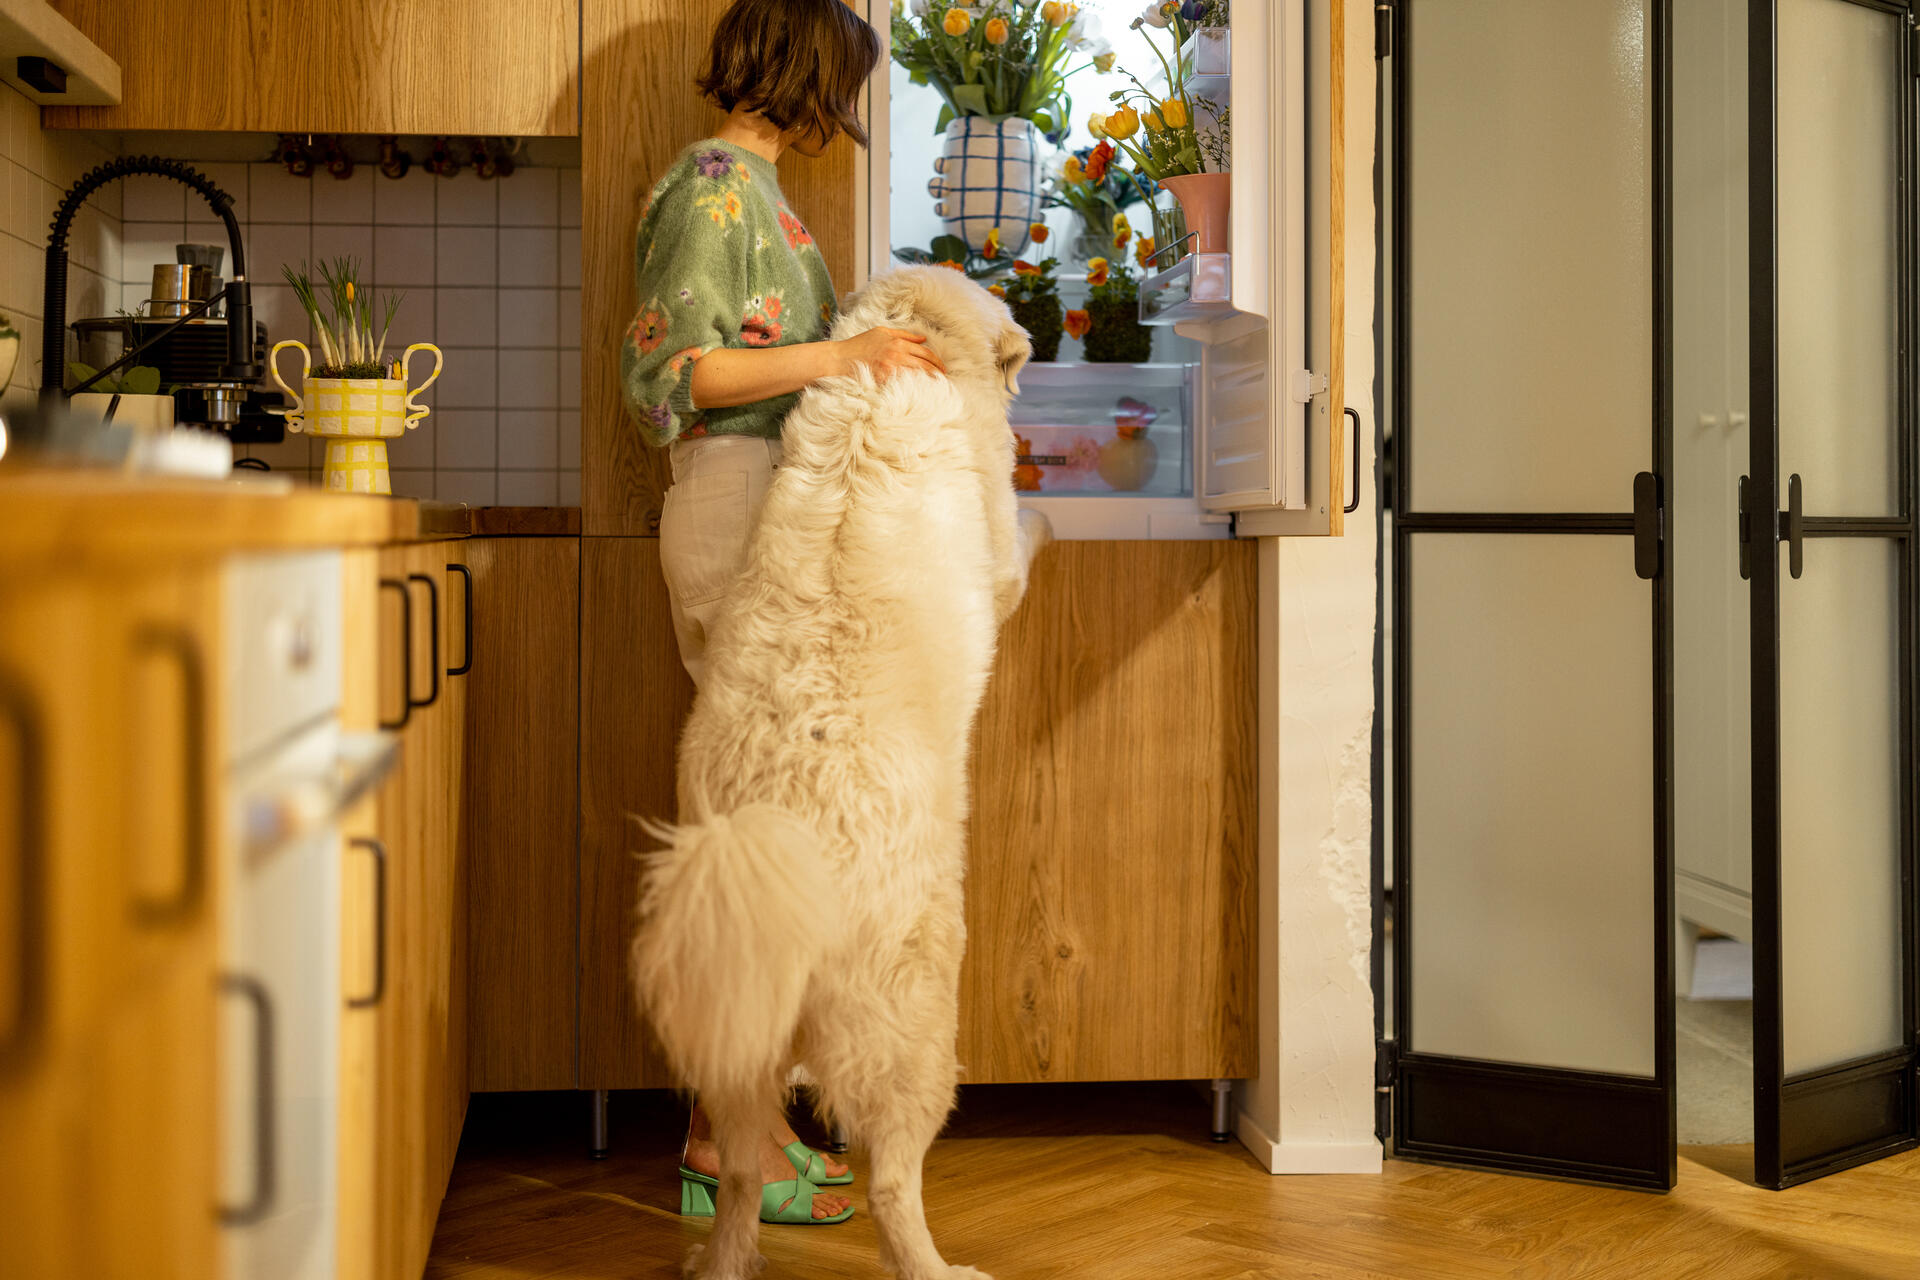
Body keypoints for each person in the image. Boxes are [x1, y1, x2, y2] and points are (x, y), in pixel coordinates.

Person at [619, 0, 945, 1226]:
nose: (842, 117)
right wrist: (845, 361)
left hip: (764, 504)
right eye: (840, 87)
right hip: (732, 496)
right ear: (803, 75)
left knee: (770, 831)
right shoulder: (712, 188)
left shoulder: (754, 195)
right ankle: (722, 1148)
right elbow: (681, 375)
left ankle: (735, 1135)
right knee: (756, 833)